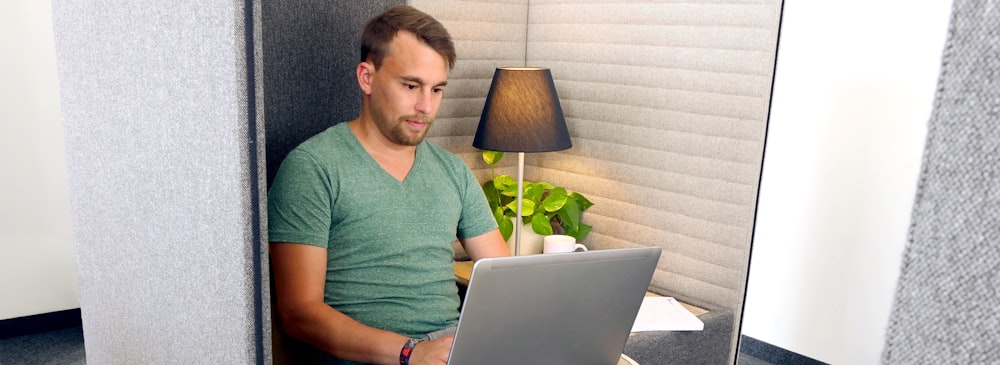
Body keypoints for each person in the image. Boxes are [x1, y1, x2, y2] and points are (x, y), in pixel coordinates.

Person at [267, 5, 510, 365]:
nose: (426, 106)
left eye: (437, 89)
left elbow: (507, 279)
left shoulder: (452, 171)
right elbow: (299, 315)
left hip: (449, 351)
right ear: (367, 77)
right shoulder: (313, 168)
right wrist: (410, 352)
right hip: (374, 356)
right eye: (410, 86)